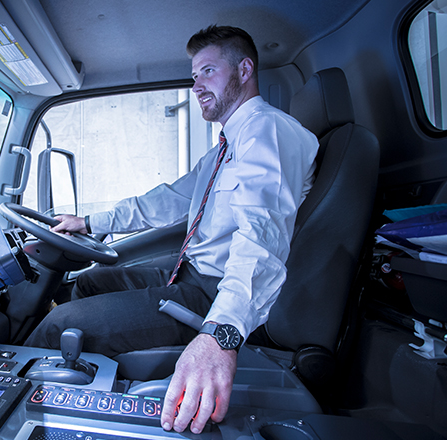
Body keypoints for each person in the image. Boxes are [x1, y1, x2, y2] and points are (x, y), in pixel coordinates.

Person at [24, 25, 319, 434]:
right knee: (91, 283)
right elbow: (168, 200)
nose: (196, 85)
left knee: (59, 325)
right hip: (189, 273)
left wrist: (222, 333)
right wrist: (91, 223)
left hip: (215, 292)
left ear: (245, 69)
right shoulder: (226, 147)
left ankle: (18, 414)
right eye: (194, 75)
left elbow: (262, 235)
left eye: (209, 71)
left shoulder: (269, 131)